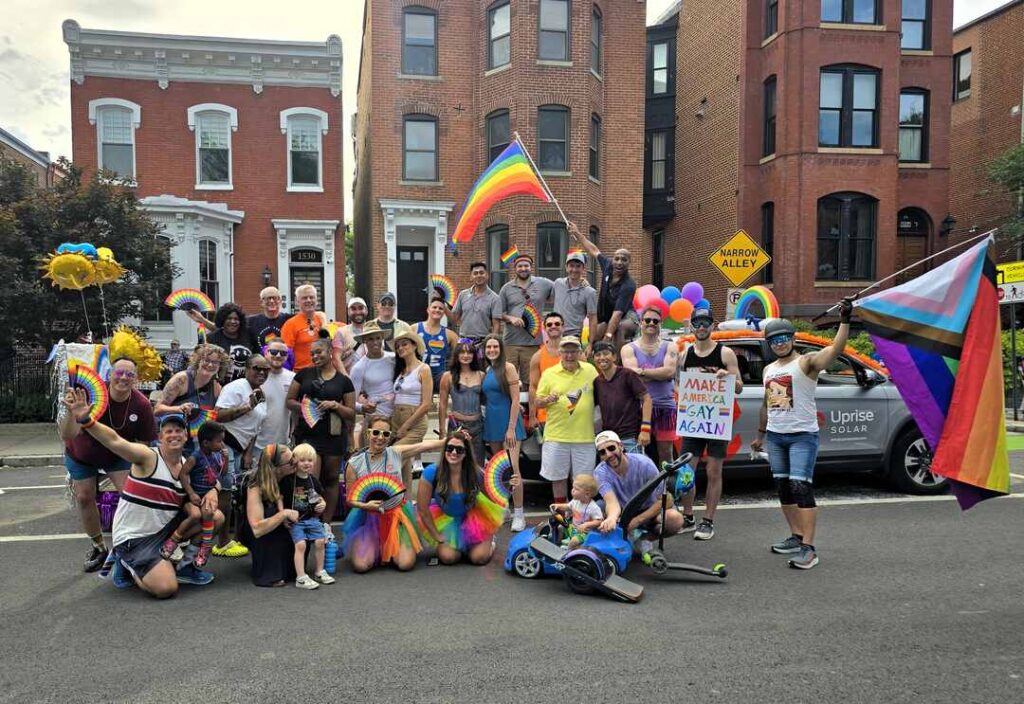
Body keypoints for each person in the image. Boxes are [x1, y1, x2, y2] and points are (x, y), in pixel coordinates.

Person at [63, 391, 218, 596]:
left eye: (179, 430)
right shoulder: (148, 457)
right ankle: (126, 563)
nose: (174, 435)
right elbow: (116, 442)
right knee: (166, 589)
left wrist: (214, 491)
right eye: (168, 431)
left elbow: (211, 482)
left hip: (162, 533)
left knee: (215, 517)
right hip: (134, 536)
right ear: (160, 436)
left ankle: (185, 568)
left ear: (186, 435)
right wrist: (86, 420)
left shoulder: (187, 464)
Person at [751, 300, 853, 570]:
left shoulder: (806, 363)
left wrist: (844, 321)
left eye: (784, 338)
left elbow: (834, 351)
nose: (780, 343)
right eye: (774, 340)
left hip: (802, 436)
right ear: (769, 343)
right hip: (775, 436)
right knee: (783, 487)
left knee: (800, 487)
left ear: (793, 338)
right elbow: (767, 403)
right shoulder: (768, 370)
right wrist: (760, 436)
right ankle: (796, 536)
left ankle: (809, 548)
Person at [58, 356, 156, 572]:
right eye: (119, 372)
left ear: (136, 379)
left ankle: (130, 544)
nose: (123, 378)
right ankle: (98, 547)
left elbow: (143, 447)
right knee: (84, 496)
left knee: (132, 496)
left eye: (129, 374)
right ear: (109, 374)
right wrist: (71, 413)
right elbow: (68, 434)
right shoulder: (89, 394)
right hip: (81, 453)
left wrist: (141, 475)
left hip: (117, 455)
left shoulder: (141, 404)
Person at [342, 418, 441, 573]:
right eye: (376, 432)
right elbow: (350, 499)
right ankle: (378, 547)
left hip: (397, 515)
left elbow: (424, 445)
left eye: (385, 434)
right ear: (368, 434)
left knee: (405, 564)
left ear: (389, 436)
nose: (380, 437)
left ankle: (392, 547)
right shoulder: (355, 463)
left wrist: (450, 439)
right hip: (369, 517)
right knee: (361, 566)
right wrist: (364, 505)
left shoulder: (396, 452)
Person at [678, 307, 743, 541]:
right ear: (692, 326)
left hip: (717, 421)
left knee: (714, 470)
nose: (702, 327)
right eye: (698, 323)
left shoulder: (725, 353)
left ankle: (708, 521)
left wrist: (728, 376)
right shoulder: (684, 355)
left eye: (706, 322)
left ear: (713, 325)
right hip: (694, 421)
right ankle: (688, 516)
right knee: (685, 471)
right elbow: (679, 386)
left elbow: (739, 387)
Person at [287, 335, 356, 529]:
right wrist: (306, 407)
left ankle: (325, 525)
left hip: (334, 436)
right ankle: (310, 521)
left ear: (330, 352)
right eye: (312, 354)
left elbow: (351, 414)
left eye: (318, 352)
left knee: (332, 478)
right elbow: (289, 401)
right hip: (308, 435)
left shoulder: (344, 381)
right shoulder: (303, 375)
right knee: (311, 479)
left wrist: (335, 405)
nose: (314, 356)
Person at [416, 429, 512, 566]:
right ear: (444, 451)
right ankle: (462, 547)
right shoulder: (431, 473)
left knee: (479, 559)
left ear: (466, 454)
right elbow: (423, 510)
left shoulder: (476, 473)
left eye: (459, 450)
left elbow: (494, 497)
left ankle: (489, 542)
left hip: (473, 519)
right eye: (450, 448)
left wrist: (509, 488)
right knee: (449, 558)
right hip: (446, 519)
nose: (454, 453)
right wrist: (437, 536)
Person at [621, 305, 680, 509]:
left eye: (655, 321)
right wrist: (656, 371)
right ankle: (641, 503)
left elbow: (669, 372)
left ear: (660, 323)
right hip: (638, 409)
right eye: (648, 320)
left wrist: (643, 372)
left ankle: (669, 502)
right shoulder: (629, 348)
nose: (651, 324)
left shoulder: (670, 346)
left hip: (665, 408)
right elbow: (630, 372)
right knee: (638, 457)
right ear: (641, 322)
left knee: (666, 456)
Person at [212, 355, 271, 557]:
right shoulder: (236, 387)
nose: (262, 373)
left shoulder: (261, 393)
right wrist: (246, 407)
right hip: (225, 445)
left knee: (237, 495)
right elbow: (218, 415)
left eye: (266, 370)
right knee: (226, 494)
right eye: (257, 368)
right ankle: (222, 543)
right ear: (247, 368)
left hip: (241, 450)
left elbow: (256, 427)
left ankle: (235, 538)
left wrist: (248, 453)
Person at [593, 430, 683, 556]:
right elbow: (611, 502)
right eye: (602, 452)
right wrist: (612, 519)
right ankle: (608, 543)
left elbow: (666, 500)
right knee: (595, 508)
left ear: (621, 446)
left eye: (611, 448)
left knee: (675, 519)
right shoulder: (600, 472)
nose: (608, 454)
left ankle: (644, 539)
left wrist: (638, 520)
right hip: (624, 511)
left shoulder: (644, 464)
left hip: (649, 509)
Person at [535, 336, 599, 505]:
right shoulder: (549, 374)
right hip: (556, 436)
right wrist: (548, 399)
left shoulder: (591, 370)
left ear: (580, 352)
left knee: (583, 482)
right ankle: (561, 516)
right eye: (566, 351)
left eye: (573, 351)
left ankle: (580, 518)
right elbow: (537, 402)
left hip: (584, 437)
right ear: (559, 353)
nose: (569, 355)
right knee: (558, 478)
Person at [162, 421, 227, 568]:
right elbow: (183, 475)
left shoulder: (216, 455)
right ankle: (173, 540)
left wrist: (226, 459)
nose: (222, 445)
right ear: (206, 442)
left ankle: (204, 548)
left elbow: (221, 474)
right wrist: (191, 493)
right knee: (197, 515)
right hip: (194, 498)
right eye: (219, 441)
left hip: (206, 497)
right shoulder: (195, 457)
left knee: (212, 515)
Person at [481, 335, 527, 531]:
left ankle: (519, 514)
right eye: (488, 347)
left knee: (513, 470)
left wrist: (510, 428)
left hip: (509, 425)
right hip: (492, 423)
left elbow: (516, 400)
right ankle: (505, 509)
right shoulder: (487, 370)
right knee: (498, 471)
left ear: (501, 348)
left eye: (495, 346)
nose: (492, 350)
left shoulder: (508, 367)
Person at [239, 444, 301, 587]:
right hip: (256, 530)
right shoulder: (255, 485)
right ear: (276, 468)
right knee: (271, 514)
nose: (295, 463)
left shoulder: (290, 477)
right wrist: (283, 514)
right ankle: (267, 572)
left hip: (277, 524)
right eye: (291, 461)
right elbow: (257, 529)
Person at [568, 222, 636, 348]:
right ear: (613, 259)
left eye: (624, 259)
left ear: (629, 263)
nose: (619, 262)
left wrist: (607, 337)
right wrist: (577, 233)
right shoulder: (608, 265)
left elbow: (618, 315)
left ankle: (616, 362)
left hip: (627, 316)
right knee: (592, 338)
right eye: (617, 259)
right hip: (606, 315)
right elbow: (594, 250)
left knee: (618, 329)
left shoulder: (628, 285)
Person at [280, 443, 335, 589]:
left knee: (320, 542)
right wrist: (282, 515)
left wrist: (322, 503)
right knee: (300, 544)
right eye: (303, 460)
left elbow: (320, 497)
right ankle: (301, 577)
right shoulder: (288, 480)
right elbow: (279, 497)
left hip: (312, 519)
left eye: (310, 460)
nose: (307, 463)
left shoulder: (313, 481)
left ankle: (319, 571)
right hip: (296, 521)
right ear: (295, 461)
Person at [155, 343, 226, 456]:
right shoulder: (181, 379)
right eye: (206, 360)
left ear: (220, 366)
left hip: (195, 446)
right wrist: (178, 408)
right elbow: (157, 409)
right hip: (171, 439)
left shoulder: (216, 388)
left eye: (215, 362)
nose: (210, 364)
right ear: (198, 361)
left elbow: (212, 418)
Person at [498, 251, 554, 384]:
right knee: (507, 379)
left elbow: (562, 286)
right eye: (520, 266)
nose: (523, 269)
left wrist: (581, 281)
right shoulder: (506, 288)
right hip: (510, 341)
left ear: (531, 267)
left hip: (532, 343)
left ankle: (529, 405)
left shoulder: (544, 283)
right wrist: (510, 318)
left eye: (526, 266)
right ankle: (511, 405)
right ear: (515, 268)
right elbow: (498, 313)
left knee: (531, 380)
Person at [391, 330, 434, 492]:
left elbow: (426, 404)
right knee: (404, 466)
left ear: (414, 345)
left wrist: (406, 426)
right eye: (398, 346)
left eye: (404, 344)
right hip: (396, 419)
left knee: (394, 458)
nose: (401, 348)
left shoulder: (424, 369)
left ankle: (390, 501)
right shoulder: (400, 370)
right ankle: (406, 505)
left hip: (414, 422)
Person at [592, 340, 652, 454]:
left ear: (614, 357)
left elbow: (647, 399)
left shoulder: (628, 375)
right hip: (609, 439)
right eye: (597, 355)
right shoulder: (597, 382)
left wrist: (645, 429)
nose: (602, 357)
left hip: (630, 437)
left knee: (634, 470)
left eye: (606, 353)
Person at [437, 340, 486, 463]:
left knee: (477, 462)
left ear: (474, 355)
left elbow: (488, 401)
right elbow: (442, 404)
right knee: (454, 460)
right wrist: (442, 430)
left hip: (478, 425)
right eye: (462, 352)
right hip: (456, 425)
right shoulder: (447, 376)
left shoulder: (482, 375)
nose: (466, 355)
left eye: (469, 352)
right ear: (457, 354)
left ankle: (474, 483)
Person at [349, 321, 396, 445]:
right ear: (364, 341)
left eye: (378, 338)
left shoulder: (394, 359)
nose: (375, 342)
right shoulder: (359, 368)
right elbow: (349, 400)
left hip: (397, 417)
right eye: (370, 339)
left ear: (382, 339)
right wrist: (362, 407)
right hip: (375, 420)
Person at [191, 303, 258, 382]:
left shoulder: (248, 336)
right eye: (229, 318)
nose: (233, 321)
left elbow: (257, 356)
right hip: (218, 386)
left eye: (236, 319)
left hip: (244, 384)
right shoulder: (211, 338)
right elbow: (199, 361)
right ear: (222, 320)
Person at [255, 337, 296, 454]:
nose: (278, 355)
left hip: (283, 443)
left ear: (287, 356)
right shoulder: (256, 377)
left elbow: (295, 410)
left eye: (283, 353)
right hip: (257, 444)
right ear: (265, 353)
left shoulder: (293, 377)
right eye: (273, 352)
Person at [448, 261, 501, 347]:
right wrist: (443, 304)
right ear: (471, 277)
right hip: (464, 340)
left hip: (483, 341)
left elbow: (496, 325)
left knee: (481, 361)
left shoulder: (495, 298)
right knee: (463, 360)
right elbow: (454, 318)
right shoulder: (463, 294)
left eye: (481, 273)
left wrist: (493, 344)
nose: (478, 275)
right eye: (475, 273)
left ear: (487, 275)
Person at [528, 311, 566, 430]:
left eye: (557, 323)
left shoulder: (576, 353)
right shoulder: (537, 356)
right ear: (544, 328)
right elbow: (533, 387)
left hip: (570, 413)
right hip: (546, 415)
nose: (553, 326)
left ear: (563, 327)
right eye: (549, 324)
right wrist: (532, 416)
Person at [280, 284, 329, 371]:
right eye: (304, 298)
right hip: (301, 374)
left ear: (317, 300)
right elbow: (285, 354)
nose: (309, 300)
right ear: (297, 301)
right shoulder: (290, 324)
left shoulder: (321, 320)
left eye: (311, 297)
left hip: (322, 371)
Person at [551, 250, 597, 343]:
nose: (574, 269)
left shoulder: (589, 292)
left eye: (578, 266)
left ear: (583, 268)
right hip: (555, 333)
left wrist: (591, 344)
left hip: (574, 336)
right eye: (571, 266)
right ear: (566, 267)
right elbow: (550, 299)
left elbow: (593, 319)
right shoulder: (558, 283)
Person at [549, 474, 603, 549]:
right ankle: (558, 544)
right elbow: (568, 507)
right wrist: (558, 506)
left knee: (574, 541)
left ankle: (568, 551)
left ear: (587, 494)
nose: (572, 490)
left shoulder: (593, 507)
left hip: (584, 533)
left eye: (576, 489)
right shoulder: (575, 501)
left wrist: (587, 524)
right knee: (560, 527)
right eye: (573, 487)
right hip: (573, 527)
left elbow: (599, 521)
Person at [416, 299, 459, 391]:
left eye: (441, 308)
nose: (437, 310)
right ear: (428, 310)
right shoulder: (415, 328)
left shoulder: (450, 334)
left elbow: (460, 354)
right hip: (418, 374)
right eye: (434, 307)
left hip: (439, 375)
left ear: (443, 313)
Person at [333, 297, 370, 373]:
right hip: (349, 379)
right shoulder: (341, 332)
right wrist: (346, 379)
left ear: (366, 310)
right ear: (348, 312)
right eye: (353, 309)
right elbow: (336, 358)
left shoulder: (373, 331)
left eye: (360, 308)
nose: (357, 312)